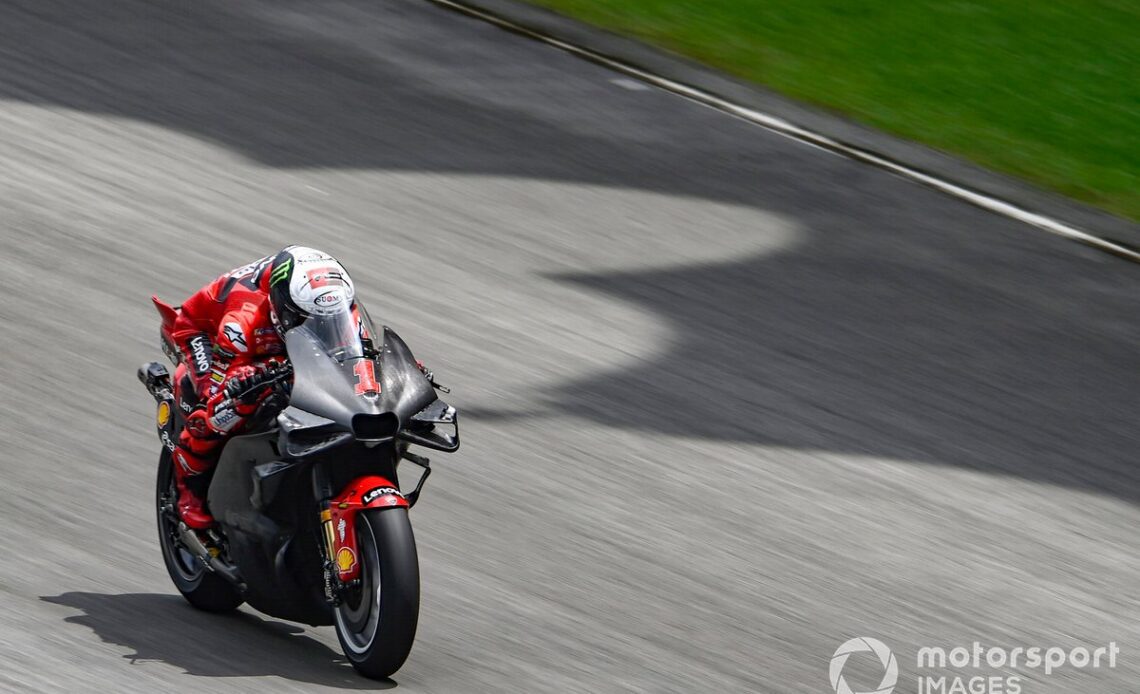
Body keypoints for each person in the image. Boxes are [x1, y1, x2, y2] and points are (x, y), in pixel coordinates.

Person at [169, 245, 356, 528]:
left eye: (327, 321)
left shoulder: (333, 306)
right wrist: (246, 381)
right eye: (309, 321)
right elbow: (228, 386)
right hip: (204, 332)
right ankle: (187, 488)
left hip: (278, 325)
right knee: (220, 410)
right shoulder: (242, 324)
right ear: (282, 309)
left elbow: (360, 349)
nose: (322, 328)